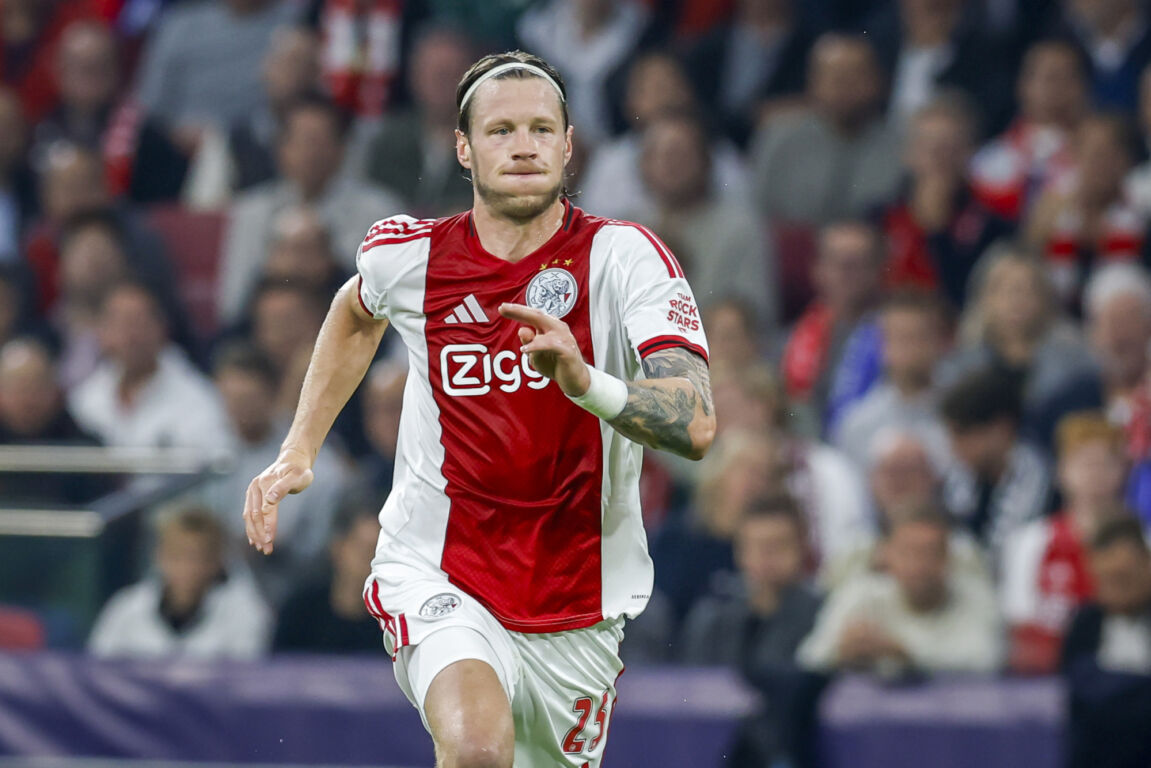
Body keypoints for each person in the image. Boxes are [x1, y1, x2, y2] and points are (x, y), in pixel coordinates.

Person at [242, 51, 715, 768]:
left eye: (538, 128)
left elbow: (694, 422)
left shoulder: (625, 258)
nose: (521, 145)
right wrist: (298, 449)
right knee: (474, 748)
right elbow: (355, 310)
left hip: (576, 602)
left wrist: (584, 381)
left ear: (566, 143)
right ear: (463, 147)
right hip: (438, 569)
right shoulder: (411, 256)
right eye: (499, 131)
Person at [218, 95, 403, 323]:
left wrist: (330, 268)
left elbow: (394, 304)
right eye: (302, 141)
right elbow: (232, 306)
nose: (311, 153)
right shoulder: (250, 212)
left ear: (342, 149)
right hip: (267, 340)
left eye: (321, 142)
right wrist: (273, 273)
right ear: (280, 149)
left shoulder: (379, 211)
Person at [680, 494, 821, 768]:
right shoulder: (712, 620)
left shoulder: (823, 617)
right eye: (757, 546)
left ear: (802, 548)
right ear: (739, 552)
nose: (767, 557)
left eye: (778, 545)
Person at [206, 341, 349, 603]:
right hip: (213, 592)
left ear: (272, 395)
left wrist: (274, 548)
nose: (240, 411)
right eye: (232, 400)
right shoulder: (203, 450)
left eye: (248, 399)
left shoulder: (312, 459)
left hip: (291, 594)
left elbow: (323, 553)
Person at [798, 508, 1003, 676]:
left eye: (930, 553)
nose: (918, 565)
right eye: (907, 552)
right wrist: (839, 653)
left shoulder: (976, 595)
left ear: (948, 558)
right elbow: (808, 659)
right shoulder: (860, 593)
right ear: (886, 555)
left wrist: (906, 654)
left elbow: (988, 658)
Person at [1002, 413, 1127, 674]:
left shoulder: (1145, 543)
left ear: (1122, 471)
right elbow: (1019, 621)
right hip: (1048, 676)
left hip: (1124, 675)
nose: (1095, 474)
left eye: (1105, 463)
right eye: (1084, 463)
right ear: (1061, 470)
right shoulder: (1030, 541)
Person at [750, 33, 902, 226]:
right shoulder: (778, 139)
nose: (845, 86)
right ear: (812, 82)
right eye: (834, 77)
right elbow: (757, 212)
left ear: (878, 81)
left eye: (855, 75)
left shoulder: (902, 146)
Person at [88, 504, 272, 659]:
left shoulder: (246, 614)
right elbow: (97, 673)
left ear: (217, 561)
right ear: (159, 556)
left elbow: (246, 683)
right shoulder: (126, 608)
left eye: (197, 557)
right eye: (177, 556)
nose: (187, 568)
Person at [68, 280, 230, 455]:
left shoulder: (199, 401)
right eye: (119, 324)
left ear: (161, 328)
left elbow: (213, 470)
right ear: (102, 332)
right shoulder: (84, 398)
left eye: (138, 323)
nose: (130, 336)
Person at [1062, 516, 1151, 768]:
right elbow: (1084, 691)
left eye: (1124, 578)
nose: (1115, 590)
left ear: (1147, 565)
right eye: (1106, 580)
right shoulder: (1086, 624)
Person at [970, 39, 1088, 222]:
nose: (1054, 87)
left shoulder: (1095, 160)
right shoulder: (990, 161)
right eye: (1046, 77)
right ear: (1022, 85)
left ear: (1081, 86)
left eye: (1063, 77)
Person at [833, 290, 951, 470]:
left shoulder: (960, 417)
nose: (909, 350)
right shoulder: (856, 425)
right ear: (883, 345)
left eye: (918, 337)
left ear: (940, 342)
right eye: (900, 338)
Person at [939, 367, 1051, 555]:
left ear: (1001, 429)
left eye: (962, 434)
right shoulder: (951, 485)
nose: (954, 448)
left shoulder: (1050, 492)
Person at [273, 491, 383, 653]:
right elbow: (274, 669)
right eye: (364, 551)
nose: (371, 563)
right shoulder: (301, 612)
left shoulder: (394, 624)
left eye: (380, 554)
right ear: (338, 548)